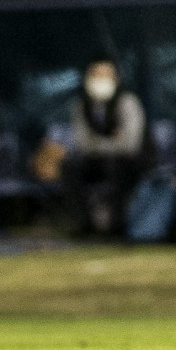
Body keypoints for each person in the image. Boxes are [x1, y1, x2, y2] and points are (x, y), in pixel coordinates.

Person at [62, 57, 146, 236]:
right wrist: (112, 141)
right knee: (71, 165)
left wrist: (97, 143)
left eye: (106, 75)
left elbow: (130, 145)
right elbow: (82, 143)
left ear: (115, 78)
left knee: (114, 165)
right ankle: (84, 224)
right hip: (94, 162)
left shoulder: (127, 102)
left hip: (128, 163)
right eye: (96, 74)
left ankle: (117, 226)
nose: (100, 80)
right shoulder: (81, 104)